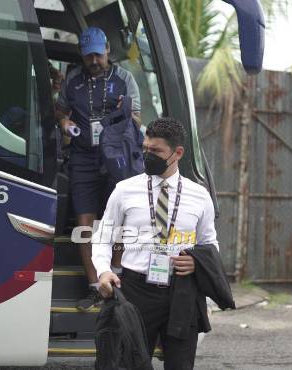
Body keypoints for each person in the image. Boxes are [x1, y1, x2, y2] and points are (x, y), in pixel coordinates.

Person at [92, 118, 219, 369]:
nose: (148, 155)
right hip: (136, 290)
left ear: (178, 153)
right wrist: (103, 270)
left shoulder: (199, 196)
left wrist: (196, 262)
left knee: (181, 365)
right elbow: (103, 236)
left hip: (182, 292)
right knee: (128, 362)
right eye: (146, 149)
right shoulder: (124, 190)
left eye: (157, 151)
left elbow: (209, 244)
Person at [55, 27, 141, 311]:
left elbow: (138, 119)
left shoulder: (124, 78)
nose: (94, 59)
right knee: (85, 226)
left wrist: (124, 111)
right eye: (88, 54)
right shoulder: (73, 81)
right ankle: (95, 287)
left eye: (98, 53)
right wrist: (65, 123)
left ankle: (116, 278)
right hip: (83, 158)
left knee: (117, 221)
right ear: (82, 54)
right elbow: (61, 112)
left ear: (107, 50)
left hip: (116, 157)